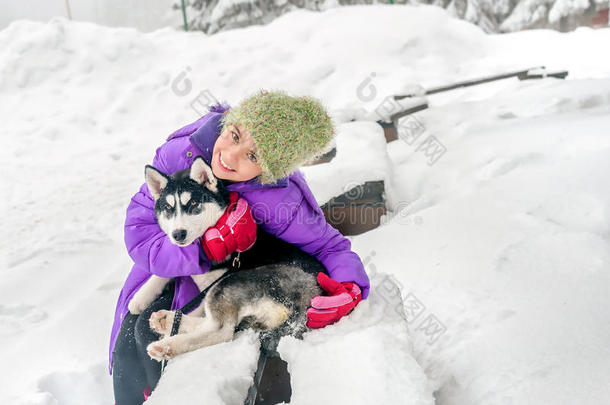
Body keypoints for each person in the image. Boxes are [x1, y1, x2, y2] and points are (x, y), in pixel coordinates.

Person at [109, 89, 371, 404]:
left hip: (221, 282)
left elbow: (329, 246)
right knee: (126, 344)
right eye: (234, 136)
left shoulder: (279, 201)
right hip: (160, 267)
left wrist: (350, 285)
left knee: (149, 334)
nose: (231, 155)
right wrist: (201, 251)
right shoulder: (183, 155)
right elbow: (139, 229)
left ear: (269, 170)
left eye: (253, 156)